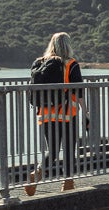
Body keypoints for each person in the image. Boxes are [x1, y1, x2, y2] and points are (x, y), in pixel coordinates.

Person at [25, 32, 87, 196]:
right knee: (68, 148)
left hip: (45, 113)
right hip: (67, 112)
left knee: (52, 149)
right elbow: (79, 91)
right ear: (68, 45)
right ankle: (67, 182)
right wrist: (86, 114)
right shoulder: (71, 64)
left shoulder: (40, 62)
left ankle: (37, 173)